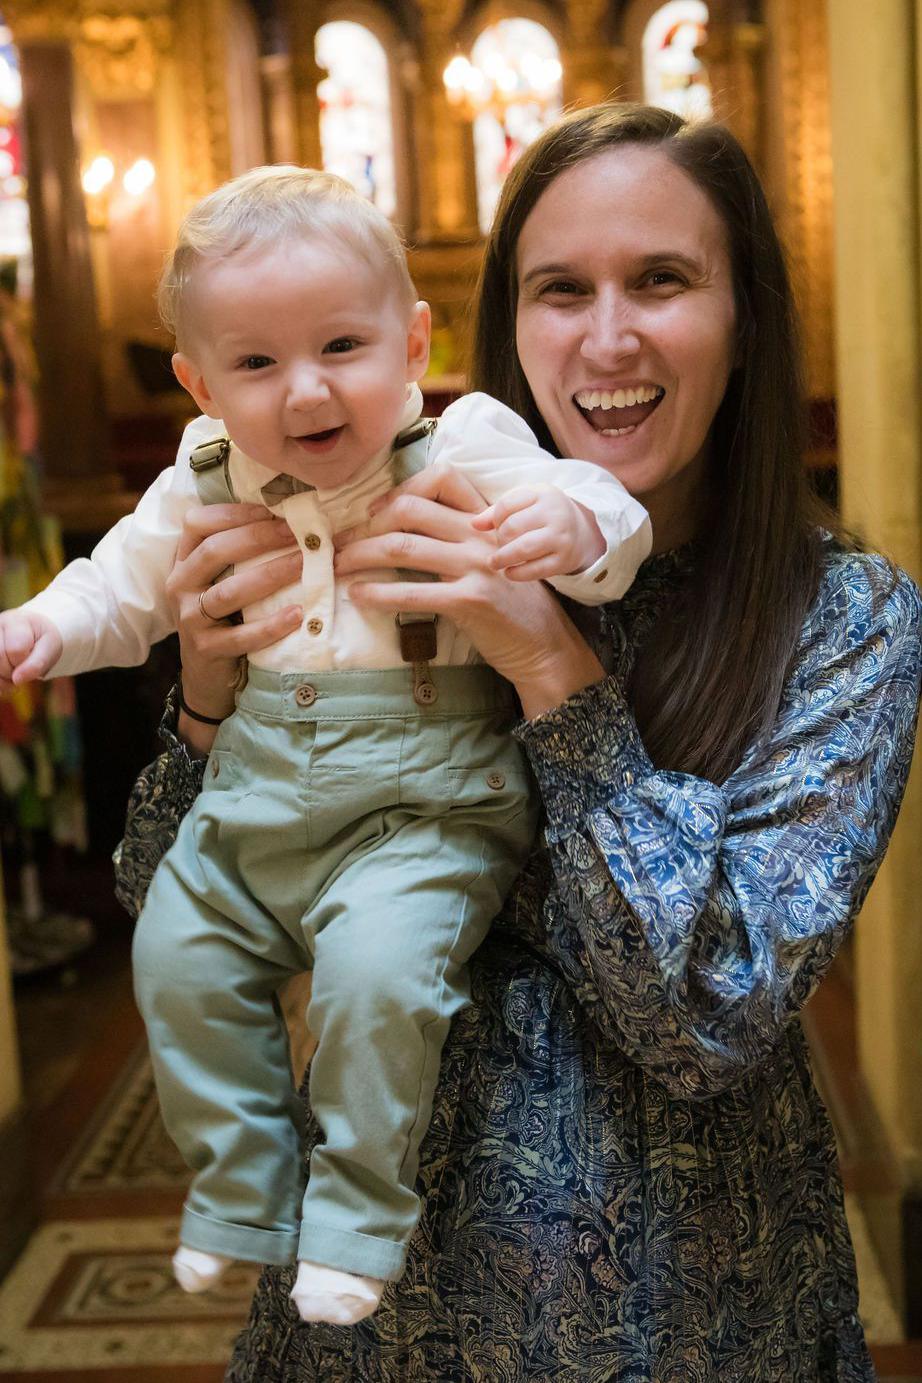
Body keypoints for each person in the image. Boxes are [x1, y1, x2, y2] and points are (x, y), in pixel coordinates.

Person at [114, 103, 921, 1379]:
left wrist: (551, 664)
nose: (609, 336)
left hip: (691, 1310)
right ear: (502, 328)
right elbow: (168, 905)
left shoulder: (844, 618)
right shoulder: (358, 535)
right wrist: (208, 691)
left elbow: (705, 1018)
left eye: (662, 279)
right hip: (376, 1315)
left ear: (744, 314)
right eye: (560, 290)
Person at [0, 165, 652, 1326]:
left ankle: (356, 1217)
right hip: (249, 797)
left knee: (373, 983)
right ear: (200, 385)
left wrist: (573, 523)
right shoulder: (200, 480)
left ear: (411, 342)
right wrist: (42, 626)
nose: (306, 391)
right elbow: (120, 589)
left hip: (425, 803)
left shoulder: (467, 441)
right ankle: (241, 1195)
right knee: (177, 959)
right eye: (255, 364)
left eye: (342, 345)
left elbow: (604, 514)